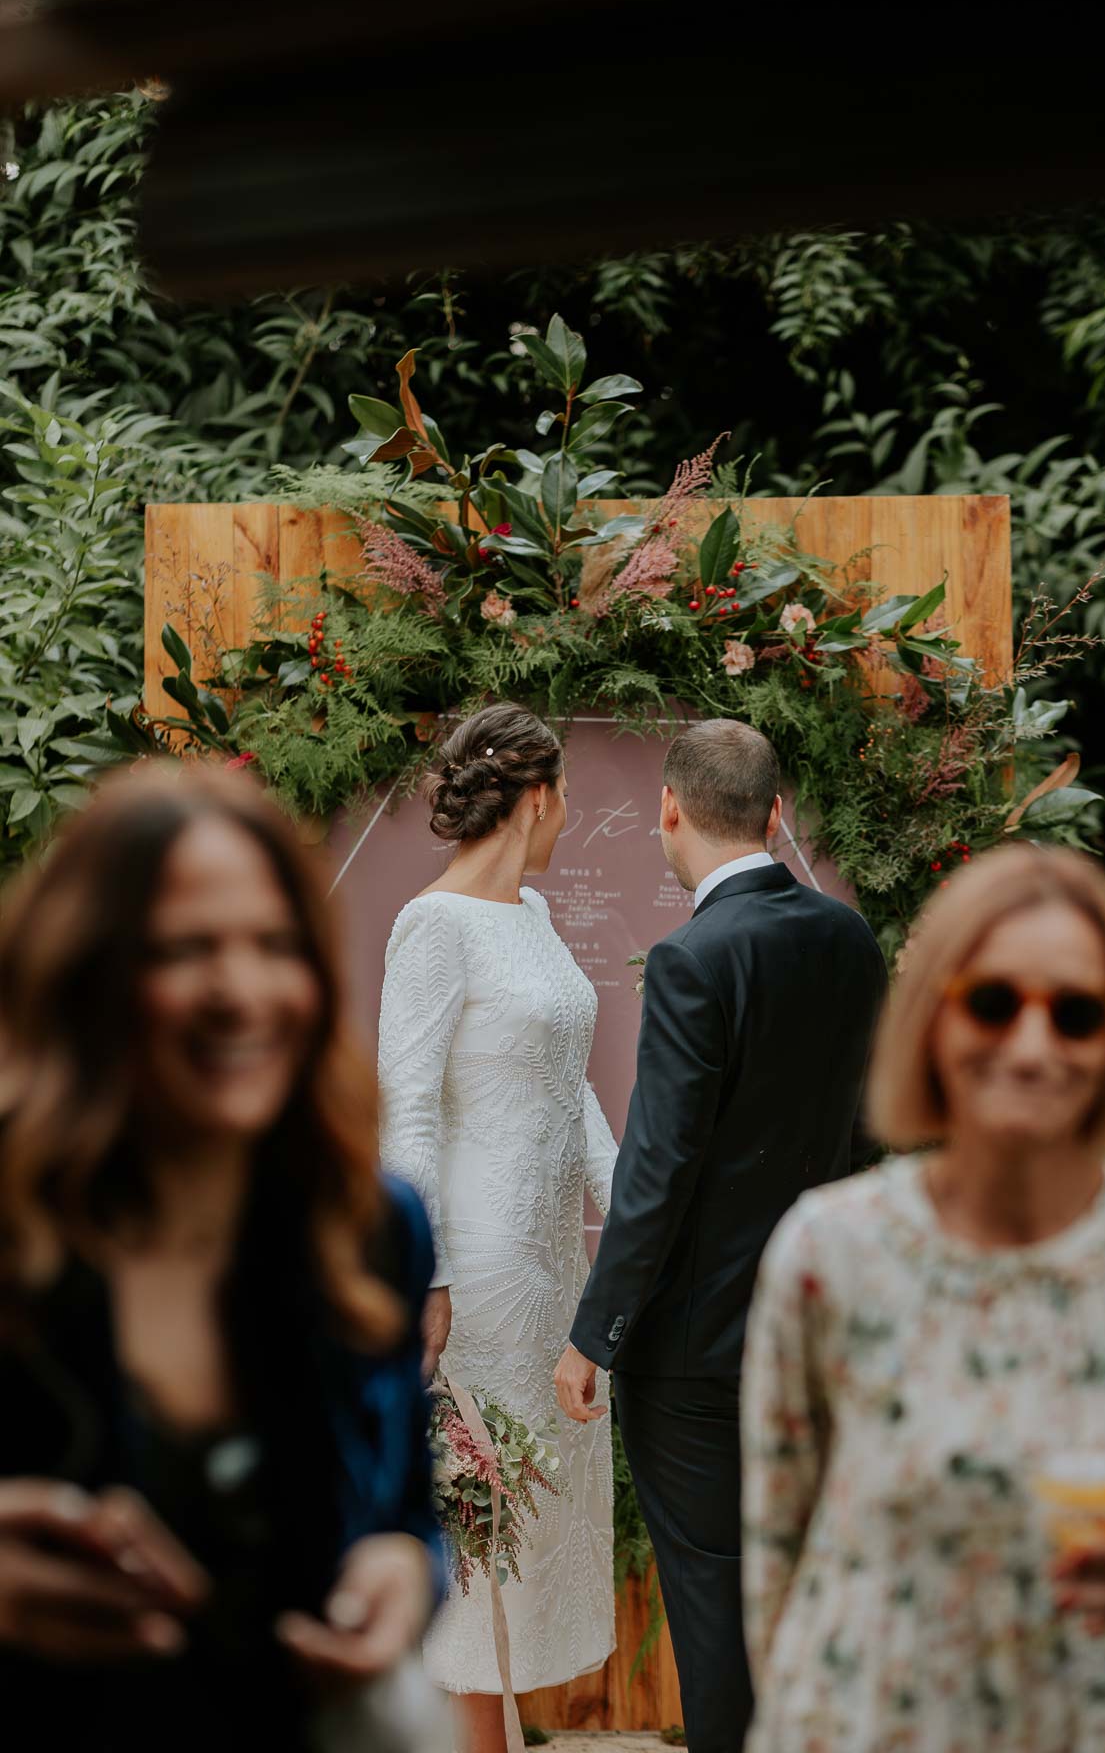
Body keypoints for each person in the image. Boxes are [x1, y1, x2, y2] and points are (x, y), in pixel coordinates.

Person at [0, 762, 444, 1753]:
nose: (238, 991)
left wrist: (406, 1572)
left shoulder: (368, 1228)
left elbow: (404, 1508)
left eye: (274, 944)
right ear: (88, 974)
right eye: (183, 949)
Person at [740, 843, 1105, 1753]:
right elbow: (775, 1549)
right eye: (991, 1001)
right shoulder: (831, 1251)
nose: (1031, 1046)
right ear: (931, 1017)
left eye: (1077, 1014)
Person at [555, 717, 887, 1753]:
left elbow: (658, 1171)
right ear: (775, 812)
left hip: (698, 1358)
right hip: (821, 1331)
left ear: (670, 808)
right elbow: (874, 1137)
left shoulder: (695, 957)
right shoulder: (850, 939)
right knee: (807, 1598)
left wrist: (594, 1332)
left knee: (715, 1616)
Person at [377, 702, 617, 1753]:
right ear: (536, 795)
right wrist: (423, 1274)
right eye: (564, 796)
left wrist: (630, 1216)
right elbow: (407, 1104)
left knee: (529, 1524)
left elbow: (577, 1093)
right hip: (472, 1271)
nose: (568, 816)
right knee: (482, 1524)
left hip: (554, 1265)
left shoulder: (535, 913)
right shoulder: (431, 924)